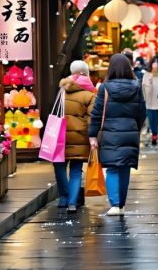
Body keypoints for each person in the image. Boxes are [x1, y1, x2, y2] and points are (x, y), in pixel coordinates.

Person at [88, 54, 145, 216]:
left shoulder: (104, 88)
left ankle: (114, 204)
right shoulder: (136, 87)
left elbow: (97, 113)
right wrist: (135, 127)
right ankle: (121, 204)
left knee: (112, 169)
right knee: (125, 168)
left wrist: (92, 135)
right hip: (130, 131)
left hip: (110, 133)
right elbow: (142, 112)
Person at [55, 60, 96, 213]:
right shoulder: (90, 94)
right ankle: (72, 202)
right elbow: (92, 118)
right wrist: (91, 135)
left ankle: (63, 197)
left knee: (59, 166)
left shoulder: (62, 90)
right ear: (86, 73)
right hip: (80, 137)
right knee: (76, 169)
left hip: (60, 136)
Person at [141, 55, 158, 146]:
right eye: (154, 63)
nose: (155, 65)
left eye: (157, 63)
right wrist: (149, 82)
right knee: (151, 121)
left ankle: (155, 136)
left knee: (156, 120)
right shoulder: (147, 74)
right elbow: (144, 89)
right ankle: (154, 134)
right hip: (149, 102)